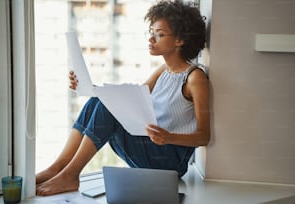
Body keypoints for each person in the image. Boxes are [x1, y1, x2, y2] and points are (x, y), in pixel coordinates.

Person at [36, 0, 210, 196]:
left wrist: (168, 137)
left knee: (108, 106)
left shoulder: (195, 78)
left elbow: (204, 136)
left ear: (180, 40)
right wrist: (87, 87)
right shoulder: (164, 70)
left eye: (159, 34)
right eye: (151, 32)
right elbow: (129, 100)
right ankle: (59, 167)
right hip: (152, 148)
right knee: (98, 101)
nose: (151, 39)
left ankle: (70, 175)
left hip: (169, 162)